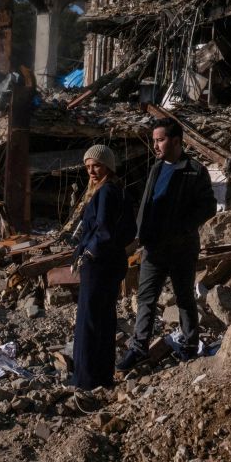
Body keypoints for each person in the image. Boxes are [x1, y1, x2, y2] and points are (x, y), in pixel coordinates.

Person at [117, 117, 217, 371]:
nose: (156, 146)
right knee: (146, 299)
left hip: (181, 249)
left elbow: (208, 206)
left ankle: (189, 346)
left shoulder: (195, 170)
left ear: (176, 141)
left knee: (184, 298)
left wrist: (181, 228)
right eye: (154, 141)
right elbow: (147, 204)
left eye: (160, 140)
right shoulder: (156, 169)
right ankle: (138, 349)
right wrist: (138, 235)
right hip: (153, 248)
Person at [71, 144, 137, 390]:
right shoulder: (116, 191)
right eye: (88, 166)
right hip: (110, 264)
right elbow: (128, 231)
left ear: (108, 166)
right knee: (103, 319)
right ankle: (102, 377)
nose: (91, 171)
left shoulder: (106, 192)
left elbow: (103, 230)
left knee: (89, 321)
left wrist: (88, 252)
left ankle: (85, 380)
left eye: (96, 165)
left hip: (98, 265)